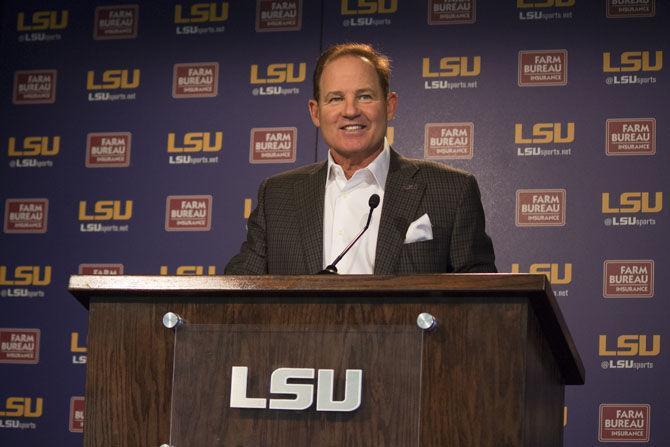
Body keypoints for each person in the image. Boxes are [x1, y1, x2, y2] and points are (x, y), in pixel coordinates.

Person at [225, 43, 496, 275]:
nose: (351, 110)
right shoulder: (276, 196)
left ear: (389, 105)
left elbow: (483, 301)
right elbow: (238, 289)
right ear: (315, 112)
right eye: (335, 99)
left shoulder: (451, 191)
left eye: (364, 96)